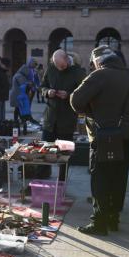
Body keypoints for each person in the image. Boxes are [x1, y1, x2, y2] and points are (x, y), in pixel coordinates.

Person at [70, 45, 129, 236]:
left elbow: (75, 100)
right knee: (118, 178)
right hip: (124, 136)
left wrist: (94, 115)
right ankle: (113, 219)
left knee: (100, 178)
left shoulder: (99, 75)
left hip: (102, 136)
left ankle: (99, 222)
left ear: (98, 61)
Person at [40, 49, 86, 179]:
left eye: (62, 66)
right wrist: (47, 92)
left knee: (64, 154)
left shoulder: (78, 72)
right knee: (44, 151)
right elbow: (42, 86)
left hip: (67, 120)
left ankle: (62, 180)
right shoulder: (51, 69)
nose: (60, 69)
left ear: (67, 60)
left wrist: (69, 95)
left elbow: (83, 94)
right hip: (50, 119)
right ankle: (42, 175)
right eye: (57, 66)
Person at [9, 58, 41, 127]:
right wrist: (31, 84)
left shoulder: (25, 73)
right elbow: (24, 84)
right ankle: (21, 121)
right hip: (18, 95)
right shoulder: (19, 75)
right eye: (33, 64)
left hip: (21, 94)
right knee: (19, 108)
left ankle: (23, 120)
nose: (34, 66)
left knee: (20, 108)